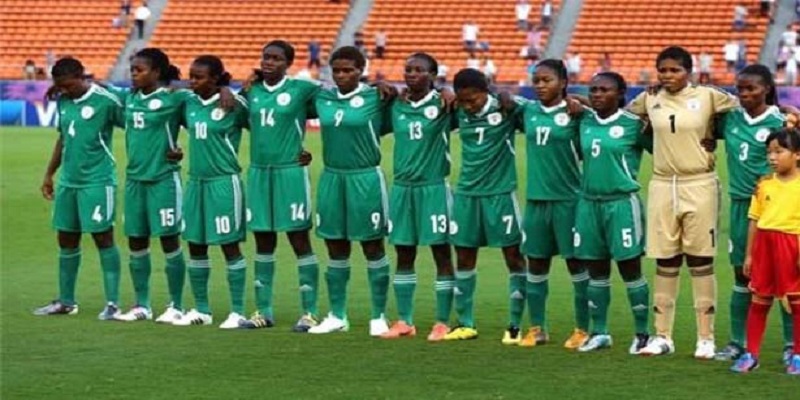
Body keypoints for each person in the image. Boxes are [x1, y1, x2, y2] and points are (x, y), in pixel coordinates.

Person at [628, 46, 739, 358]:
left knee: (700, 260)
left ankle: (706, 338)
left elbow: (741, 114)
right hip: (662, 184)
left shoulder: (708, 95)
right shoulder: (649, 98)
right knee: (665, 260)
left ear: (688, 71)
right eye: (662, 70)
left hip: (699, 183)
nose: (667, 76)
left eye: (674, 70)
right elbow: (625, 119)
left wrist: (714, 135)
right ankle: (663, 336)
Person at [306, 46, 395, 335]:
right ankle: (337, 315)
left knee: (372, 246)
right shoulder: (323, 97)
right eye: (338, 70)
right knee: (335, 245)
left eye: (349, 70)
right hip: (332, 178)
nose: (342, 75)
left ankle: (378, 316)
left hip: (365, 178)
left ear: (361, 70)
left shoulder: (376, 97)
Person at [712, 65, 794, 362]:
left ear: (767, 89)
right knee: (741, 275)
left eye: (751, 89)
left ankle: (790, 345)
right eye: (741, 88)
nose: (744, 94)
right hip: (739, 206)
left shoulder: (781, 121)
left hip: (774, 207)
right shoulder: (730, 119)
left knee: (785, 278)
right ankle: (737, 341)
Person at [238, 41, 322, 331]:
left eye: (275, 59)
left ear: (288, 63)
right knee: (263, 241)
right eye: (265, 57)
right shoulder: (252, 91)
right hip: (260, 173)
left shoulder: (302, 89)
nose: (268, 62)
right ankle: (263, 311)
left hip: (290, 173)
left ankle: (310, 312)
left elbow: (335, 101)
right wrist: (231, 89)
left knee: (299, 239)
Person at [34, 57, 124, 319]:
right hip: (68, 183)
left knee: (103, 237)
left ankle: (113, 304)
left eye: (69, 85)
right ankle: (66, 301)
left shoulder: (105, 100)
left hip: (97, 181)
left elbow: (136, 121)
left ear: (82, 77)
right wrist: (49, 174)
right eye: (60, 86)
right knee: (66, 239)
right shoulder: (64, 101)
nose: (65, 91)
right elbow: (63, 139)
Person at [442, 68, 526, 341]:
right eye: (462, 100)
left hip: (500, 194)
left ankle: (514, 325)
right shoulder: (458, 110)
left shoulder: (507, 108)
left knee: (513, 256)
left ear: (486, 91)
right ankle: (465, 323)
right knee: (464, 256)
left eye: (473, 99)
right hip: (466, 194)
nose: (467, 105)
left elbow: (547, 108)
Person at [572, 72, 652, 354]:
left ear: (620, 94)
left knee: (630, 269)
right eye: (593, 89)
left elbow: (664, 150)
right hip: (588, 203)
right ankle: (600, 332)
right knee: (596, 270)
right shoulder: (583, 120)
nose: (596, 94)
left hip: (621, 204)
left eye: (604, 90)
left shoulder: (634, 125)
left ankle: (642, 333)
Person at [380, 53, 455, 341]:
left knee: (440, 253)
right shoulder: (396, 105)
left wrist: (448, 92)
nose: (411, 74)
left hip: (433, 188)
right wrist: (380, 85)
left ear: (433, 75)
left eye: (419, 70)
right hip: (402, 189)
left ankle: (441, 322)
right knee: (404, 253)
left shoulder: (444, 104)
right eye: (408, 69)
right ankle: (405, 321)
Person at [112, 48, 191, 323]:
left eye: (140, 70)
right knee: (136, 241)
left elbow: (207, 98)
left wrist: (227, 91)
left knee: (169, 240)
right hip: (135, 181)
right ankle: (141, 305)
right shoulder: (129, 98)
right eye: (132, 69)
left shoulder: (175, 98)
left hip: (163, 180)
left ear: (156, 72)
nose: (134, 74)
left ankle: (176, 305)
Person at [515, 59, 589, 349]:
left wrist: (582, 102)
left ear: (563, 82)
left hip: (569, 201)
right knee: (536, 264)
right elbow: (502, 98)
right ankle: (537, 329)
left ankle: (582, 329)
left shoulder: (576, 114)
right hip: (536, 201)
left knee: (576, 265)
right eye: (537, 81)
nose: (541, 86)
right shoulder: (528, 111)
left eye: (547, 80)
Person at [173, 55, 250, 328]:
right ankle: (202, 310)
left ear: (216, 78)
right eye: (191, 76)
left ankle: (238, 311)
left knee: (229, 245)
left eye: (199, 77)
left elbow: (268, 127)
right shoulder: (188, 103)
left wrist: (229, 90)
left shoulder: (234, 104)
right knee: (195, 244)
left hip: (224, 183)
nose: (192, 81)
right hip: (196, 182)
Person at [730, 128, 800, 374]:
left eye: (779, 151)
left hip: (792, 245)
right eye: (769, 152)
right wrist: (749, 254)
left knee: (795, 302)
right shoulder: (764, 184)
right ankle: (751, 354)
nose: (772, 157)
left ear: (797, 155)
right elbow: (754, 219)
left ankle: (797, 357)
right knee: (759, 301)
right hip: (764, 246)